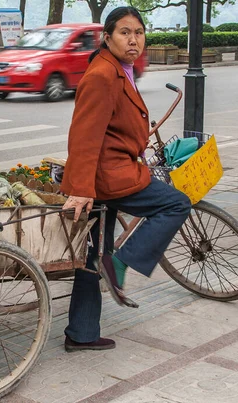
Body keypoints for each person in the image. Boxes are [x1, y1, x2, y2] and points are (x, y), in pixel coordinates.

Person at [60, 7, 192, 352]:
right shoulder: (102, 75)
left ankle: (82, 332)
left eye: (139, 32)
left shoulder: (119, 70)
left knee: (93, 255)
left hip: (107, 172)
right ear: (107, 38)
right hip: (108, 176)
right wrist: (82, 189)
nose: (134, 39)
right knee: (176, 202)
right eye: (124, 32)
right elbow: (84, 137)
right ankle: (121, 261)